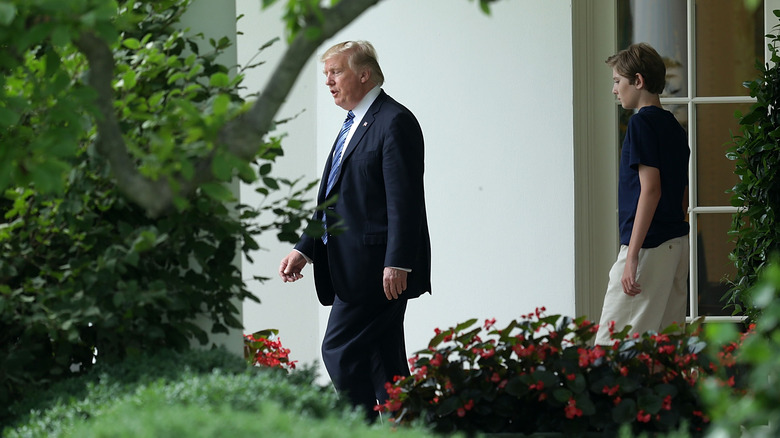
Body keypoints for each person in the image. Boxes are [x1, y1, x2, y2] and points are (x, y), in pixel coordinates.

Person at [278, 40, 431, 418]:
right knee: (385, 360)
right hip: (353, 267)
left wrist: (397, 262)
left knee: (339, 350)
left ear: (364, 75)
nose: (328, 82)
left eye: (336, 72)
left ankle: (358, 426)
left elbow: (404, 200)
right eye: (325, 74)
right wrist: (305, 248)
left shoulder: (394, 121)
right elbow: (336, 199)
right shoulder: (355, 123)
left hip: (376, 269)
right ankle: (406, 425)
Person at [594, 42, 690, 345]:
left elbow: (651, 189)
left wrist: (632, 256)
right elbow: (682, 192)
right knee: (663, 350)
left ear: (638, 80)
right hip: (676, 245)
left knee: (611, 349)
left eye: (617, 81)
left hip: (649, 247)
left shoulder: (640, 123)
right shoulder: (674, 127)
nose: (614, 90)